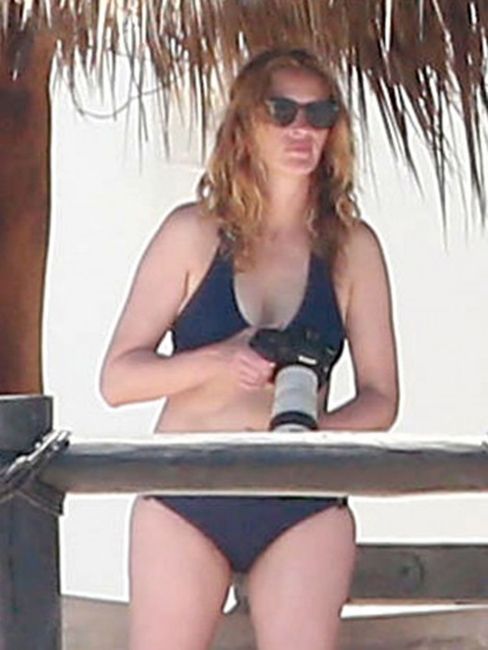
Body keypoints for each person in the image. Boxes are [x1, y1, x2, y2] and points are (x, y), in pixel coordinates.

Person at [100, 47, 398, 650]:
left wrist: (313, 432)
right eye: (281, 111)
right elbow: (118, 380)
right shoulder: (192, 233)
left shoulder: (351, 249)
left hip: (300, 497)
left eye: (320, 114)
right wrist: (216, 360)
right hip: (188, 491)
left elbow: (382, 398)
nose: (301, 129)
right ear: (246, 124)